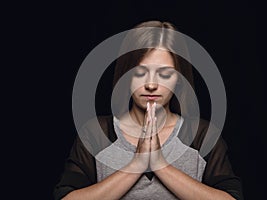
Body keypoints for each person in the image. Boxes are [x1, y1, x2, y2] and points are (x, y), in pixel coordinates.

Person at [54, 21, 243, 199]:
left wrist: (160, 164)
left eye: (165, 74)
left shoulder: (200, 135)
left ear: (179, 79)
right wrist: (137, 164)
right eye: (140, 72)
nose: (151, 84)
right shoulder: (97, 133)